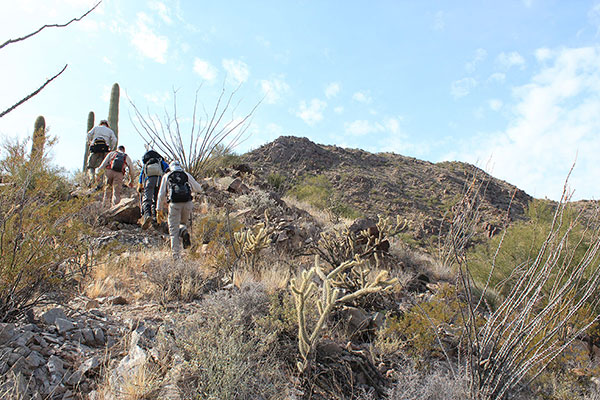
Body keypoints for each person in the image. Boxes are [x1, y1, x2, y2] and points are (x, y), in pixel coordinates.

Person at [156, 161, 202, 258]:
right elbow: (198, 188)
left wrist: (158, 209)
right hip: (187, 204)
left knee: (173, 230)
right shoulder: (186, 175)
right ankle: (184, 231)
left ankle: (176, 255)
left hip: (174, 204)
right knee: (183, 224)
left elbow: (161, 195)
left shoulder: (167, 176)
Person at [137, 149, 169, 229]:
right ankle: (155, 218)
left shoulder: (146, 163)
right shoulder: (160, 161)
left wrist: (140, 185)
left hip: (149, 181)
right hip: (159, 180)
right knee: (156, 199)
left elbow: (142, 175)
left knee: (147, 199)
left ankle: (147, 215)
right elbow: (168, 169)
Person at [86, 120, 117, 184]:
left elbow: (88, 134)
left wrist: (90, 142)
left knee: (91, 166)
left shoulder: (96, 128)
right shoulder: (110, 131)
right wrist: (111, 148)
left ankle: (92, 179)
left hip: (95, 149)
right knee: (102, 167)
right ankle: (100, 183)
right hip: (105, 150)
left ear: (100, 124)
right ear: (107, 125)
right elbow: (114, 139)